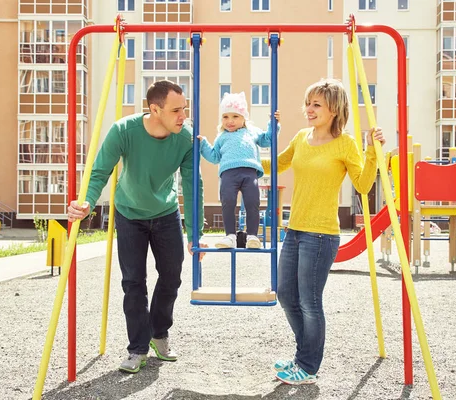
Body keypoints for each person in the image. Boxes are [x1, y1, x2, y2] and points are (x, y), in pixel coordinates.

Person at [67, 80, 208, 374]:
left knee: (171, 276)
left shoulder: (185, 139)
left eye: (184, 109)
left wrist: (195, 234)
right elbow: (100, 171)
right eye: (176, 110)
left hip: (166, 213)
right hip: (130, 213)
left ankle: (159, 333)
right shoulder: (123, 131)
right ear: (155, 109)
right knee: (133, 283)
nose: (183, 116)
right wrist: (87, 203)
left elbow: (194, 187)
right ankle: (137, 347)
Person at [263, 79, 386, 385]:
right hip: (294, 230)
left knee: (309, 300)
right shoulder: (302, 138)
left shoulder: (345, 144)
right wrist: (238, 159)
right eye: (308, 103)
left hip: (321, 235)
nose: (309, 109)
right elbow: (276, 165)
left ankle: (307, 365)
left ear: (334, 109)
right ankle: (304, 356)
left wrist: (373, 152)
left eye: (316, 104)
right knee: (285, 294)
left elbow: (362, 185)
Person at [197, 91, 280, 249]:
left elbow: (268, 140)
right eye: (226, 117)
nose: (230, 121)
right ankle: (230, 235)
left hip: (250, 173)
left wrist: (273, 124)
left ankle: (252, 236)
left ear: (244, 118)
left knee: (252, 203)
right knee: (227, 201)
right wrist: (203, 144)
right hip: (228, 174)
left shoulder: (252, 131)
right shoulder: (221, 137)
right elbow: (214, 156)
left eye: (235, 116)